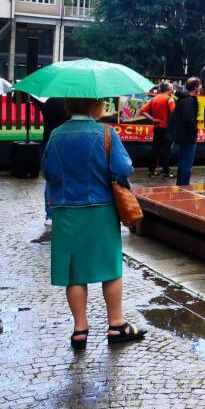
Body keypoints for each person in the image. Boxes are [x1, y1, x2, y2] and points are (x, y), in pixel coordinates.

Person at [42, 97, 146, 350]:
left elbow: (49, 172)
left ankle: (79, 329)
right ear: (95, 105)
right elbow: (123, 168)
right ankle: (116, 325)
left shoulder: (56, 135)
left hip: (67, 210)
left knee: (74, 272)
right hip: (101, 209)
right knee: (110, 268)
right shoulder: (106, 133)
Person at [168, 78, 201, 186]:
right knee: (186, 164)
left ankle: (181, 186)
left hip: (182, 135)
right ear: (195, 87)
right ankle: (184, 187)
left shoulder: (183, 99)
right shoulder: (189, 100)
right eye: (199, 85)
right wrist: (194, 130)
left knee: (183, 163)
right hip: (188, 136)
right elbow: (188, 119)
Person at [139, 83, 176, 178]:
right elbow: (174, 113)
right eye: (171, 88)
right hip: (167, 129)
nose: (172, 90)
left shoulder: (154, 99)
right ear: (168, 89)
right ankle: (166, 172)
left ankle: (151, 171)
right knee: (166, 150)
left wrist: (153, 119)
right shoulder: (169, 100)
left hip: (157, 127)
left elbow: (142, 111)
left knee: (155, 149)